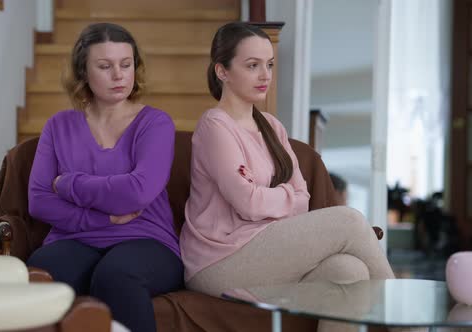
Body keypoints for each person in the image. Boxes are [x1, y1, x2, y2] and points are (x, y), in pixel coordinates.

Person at [179, 22, 394, 331]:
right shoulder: (215, 126)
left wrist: (275, 196)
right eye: (252, 66)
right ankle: (403, 325)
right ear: (222, 71)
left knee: (349, 270)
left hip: (266, 251)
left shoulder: (271, 126)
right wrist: (284, 196)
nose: (265, 75)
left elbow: (302, 199)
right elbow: (248, 204)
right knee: (349, 221)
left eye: (269, 64)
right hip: (218, 262)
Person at [26, 23, 183, 332]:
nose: (118, 75)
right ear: (83, 72)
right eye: (105, 66)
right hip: (72, 238)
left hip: (146, 238)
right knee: (42, 273)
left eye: (126, 65)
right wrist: (105, 221)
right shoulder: (58, 125)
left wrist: (69, 183)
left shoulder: (155, 123)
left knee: (116, 275)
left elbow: (138, 191)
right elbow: (39, 201)